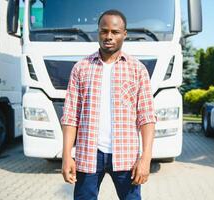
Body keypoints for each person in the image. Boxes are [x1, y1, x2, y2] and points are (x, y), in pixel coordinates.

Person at [60, 9, 156, 200]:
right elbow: (71, 115)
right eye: (104, 31)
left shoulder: (137, 70)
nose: (109, 36)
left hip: (125, 156)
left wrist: (145, 158)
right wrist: (66, 155)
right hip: (88, 155)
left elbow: (146, 117)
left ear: (124, 34)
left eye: (115, 32)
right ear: (98, 32)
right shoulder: (81, 68)